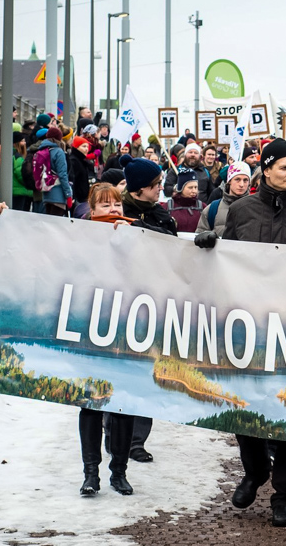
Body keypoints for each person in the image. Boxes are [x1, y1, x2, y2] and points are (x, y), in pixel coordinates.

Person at [202, 138, 286, 528]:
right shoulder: (242, 210)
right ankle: (255, 468)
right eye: (284, 168)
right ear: (266, 168)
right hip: (249, 326)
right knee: (243, 403)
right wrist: (208, 247)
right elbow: (225, 264)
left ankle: (284, 494)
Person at [78, 183, 138, 496]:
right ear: (92, 211)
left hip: (126, 330)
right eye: (105, 206)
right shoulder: (78, 237)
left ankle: (119, 471)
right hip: (92, 329)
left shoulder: (137, 236)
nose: (114, 211)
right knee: (91, 402)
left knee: (123, 404)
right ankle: (91, 473)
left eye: (117, 205)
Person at [121, 159, 178, 235]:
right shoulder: (120, 211)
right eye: (158, 183)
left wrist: (143, 227)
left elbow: (173, 242)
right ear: (142, 186)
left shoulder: (160, 212)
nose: (162, 188)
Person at [197, 163, 251, 236]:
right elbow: (199, 236)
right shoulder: (212, 209)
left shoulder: (256, 209)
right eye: (237, 179)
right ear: (229, 181)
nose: (241, 184)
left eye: (245, 180)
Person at [34, 125, 73, 216]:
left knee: (49, 225)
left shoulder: (41, 150)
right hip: (58, 194)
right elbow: (63, 175)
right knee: (56, 226)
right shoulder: (59, 152)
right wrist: (68, 194)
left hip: (46, 194)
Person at [168, 169, 205, 233]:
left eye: (196, 187)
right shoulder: (168, 207)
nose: (194, 191)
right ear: (181, 188)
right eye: (190, 188)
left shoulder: (203, 207)